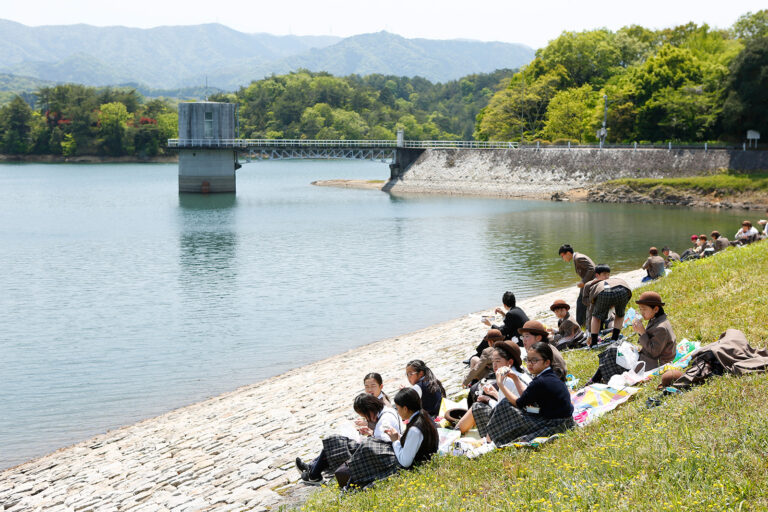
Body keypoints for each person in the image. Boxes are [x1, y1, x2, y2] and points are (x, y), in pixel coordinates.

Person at [297, 389, 436, 488]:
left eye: (399, 408)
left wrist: (395, 440)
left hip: (396, 459)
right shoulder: (422, 417)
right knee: (339, 442)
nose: (398, 411)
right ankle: (313, 469)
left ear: (405, 408)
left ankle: (314, 471)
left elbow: (405, 461)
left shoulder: (414, 428)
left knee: (338, 442)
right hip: (397, 451)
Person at [471, 342, 575, 446]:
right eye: (528, 360)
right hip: (559, 417)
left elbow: (518, 403)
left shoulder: (540, 381)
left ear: (547, 362)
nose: (529, 363)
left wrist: (500, 384)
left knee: (505, 405)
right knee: (516, 407)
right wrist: (515, 379)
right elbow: (526, 399)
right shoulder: (549, 375)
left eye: (534, 360)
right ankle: (490, 439)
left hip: (554, 423)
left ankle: (490, 440)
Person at [296, 393, 402, 485]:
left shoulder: (384, 421)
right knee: (337, 443)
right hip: (377, 451)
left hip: (381, 457)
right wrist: (371, 432)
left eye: (365, 416)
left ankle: (313, 473)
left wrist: (370, 436)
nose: (366, 419)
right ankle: (313, 470)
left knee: (336, 443)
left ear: (370, 410)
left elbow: (385, 444)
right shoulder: (386, 412)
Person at [588, 291, 676, 384]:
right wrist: (640, 337)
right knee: (617, 347)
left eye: (644, 309)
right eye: (640, 309)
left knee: (614, 352)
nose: (642, 313)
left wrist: (642, 332)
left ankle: (598, 380)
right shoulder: (656, 320)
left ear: (656, 309)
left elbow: (654, 352)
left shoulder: (661, 327)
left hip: (654, 363)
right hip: (649, 357)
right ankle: (598, 379)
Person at [456, 341, 531, 434]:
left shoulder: (507, 379)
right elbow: (510, 401)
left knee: (477, 407)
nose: (494, 366)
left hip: (520, 421)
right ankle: (457, 430)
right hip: (527, 414)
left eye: (498, 361)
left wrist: (488, 399)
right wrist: (494, 393)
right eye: (493, 361)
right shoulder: (522, 371)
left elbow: (501, 409)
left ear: (510, 362)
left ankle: (456, 432)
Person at [583, 264, 632, 347]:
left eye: (608, 274)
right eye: (604, 274)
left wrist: (590, 333)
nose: (606, 276)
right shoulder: (590, 284)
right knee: (620, 314)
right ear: (597, 275)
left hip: (607, 293)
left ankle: (594, 343)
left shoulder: (601, 284)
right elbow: (586, 301)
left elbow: (592, 312)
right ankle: (615, 338)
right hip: (624, 288)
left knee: (596, 317)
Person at [558, 244, 596, 328]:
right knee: (581, 302)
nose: (563, 259)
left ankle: (579, 325)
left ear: (568, 253)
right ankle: (583, 323)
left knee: (581, 302)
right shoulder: (577, 258)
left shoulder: (578, 258)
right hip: (588, 284)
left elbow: (592, 268)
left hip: (592, 283)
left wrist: (583, 281)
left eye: (562, 256)